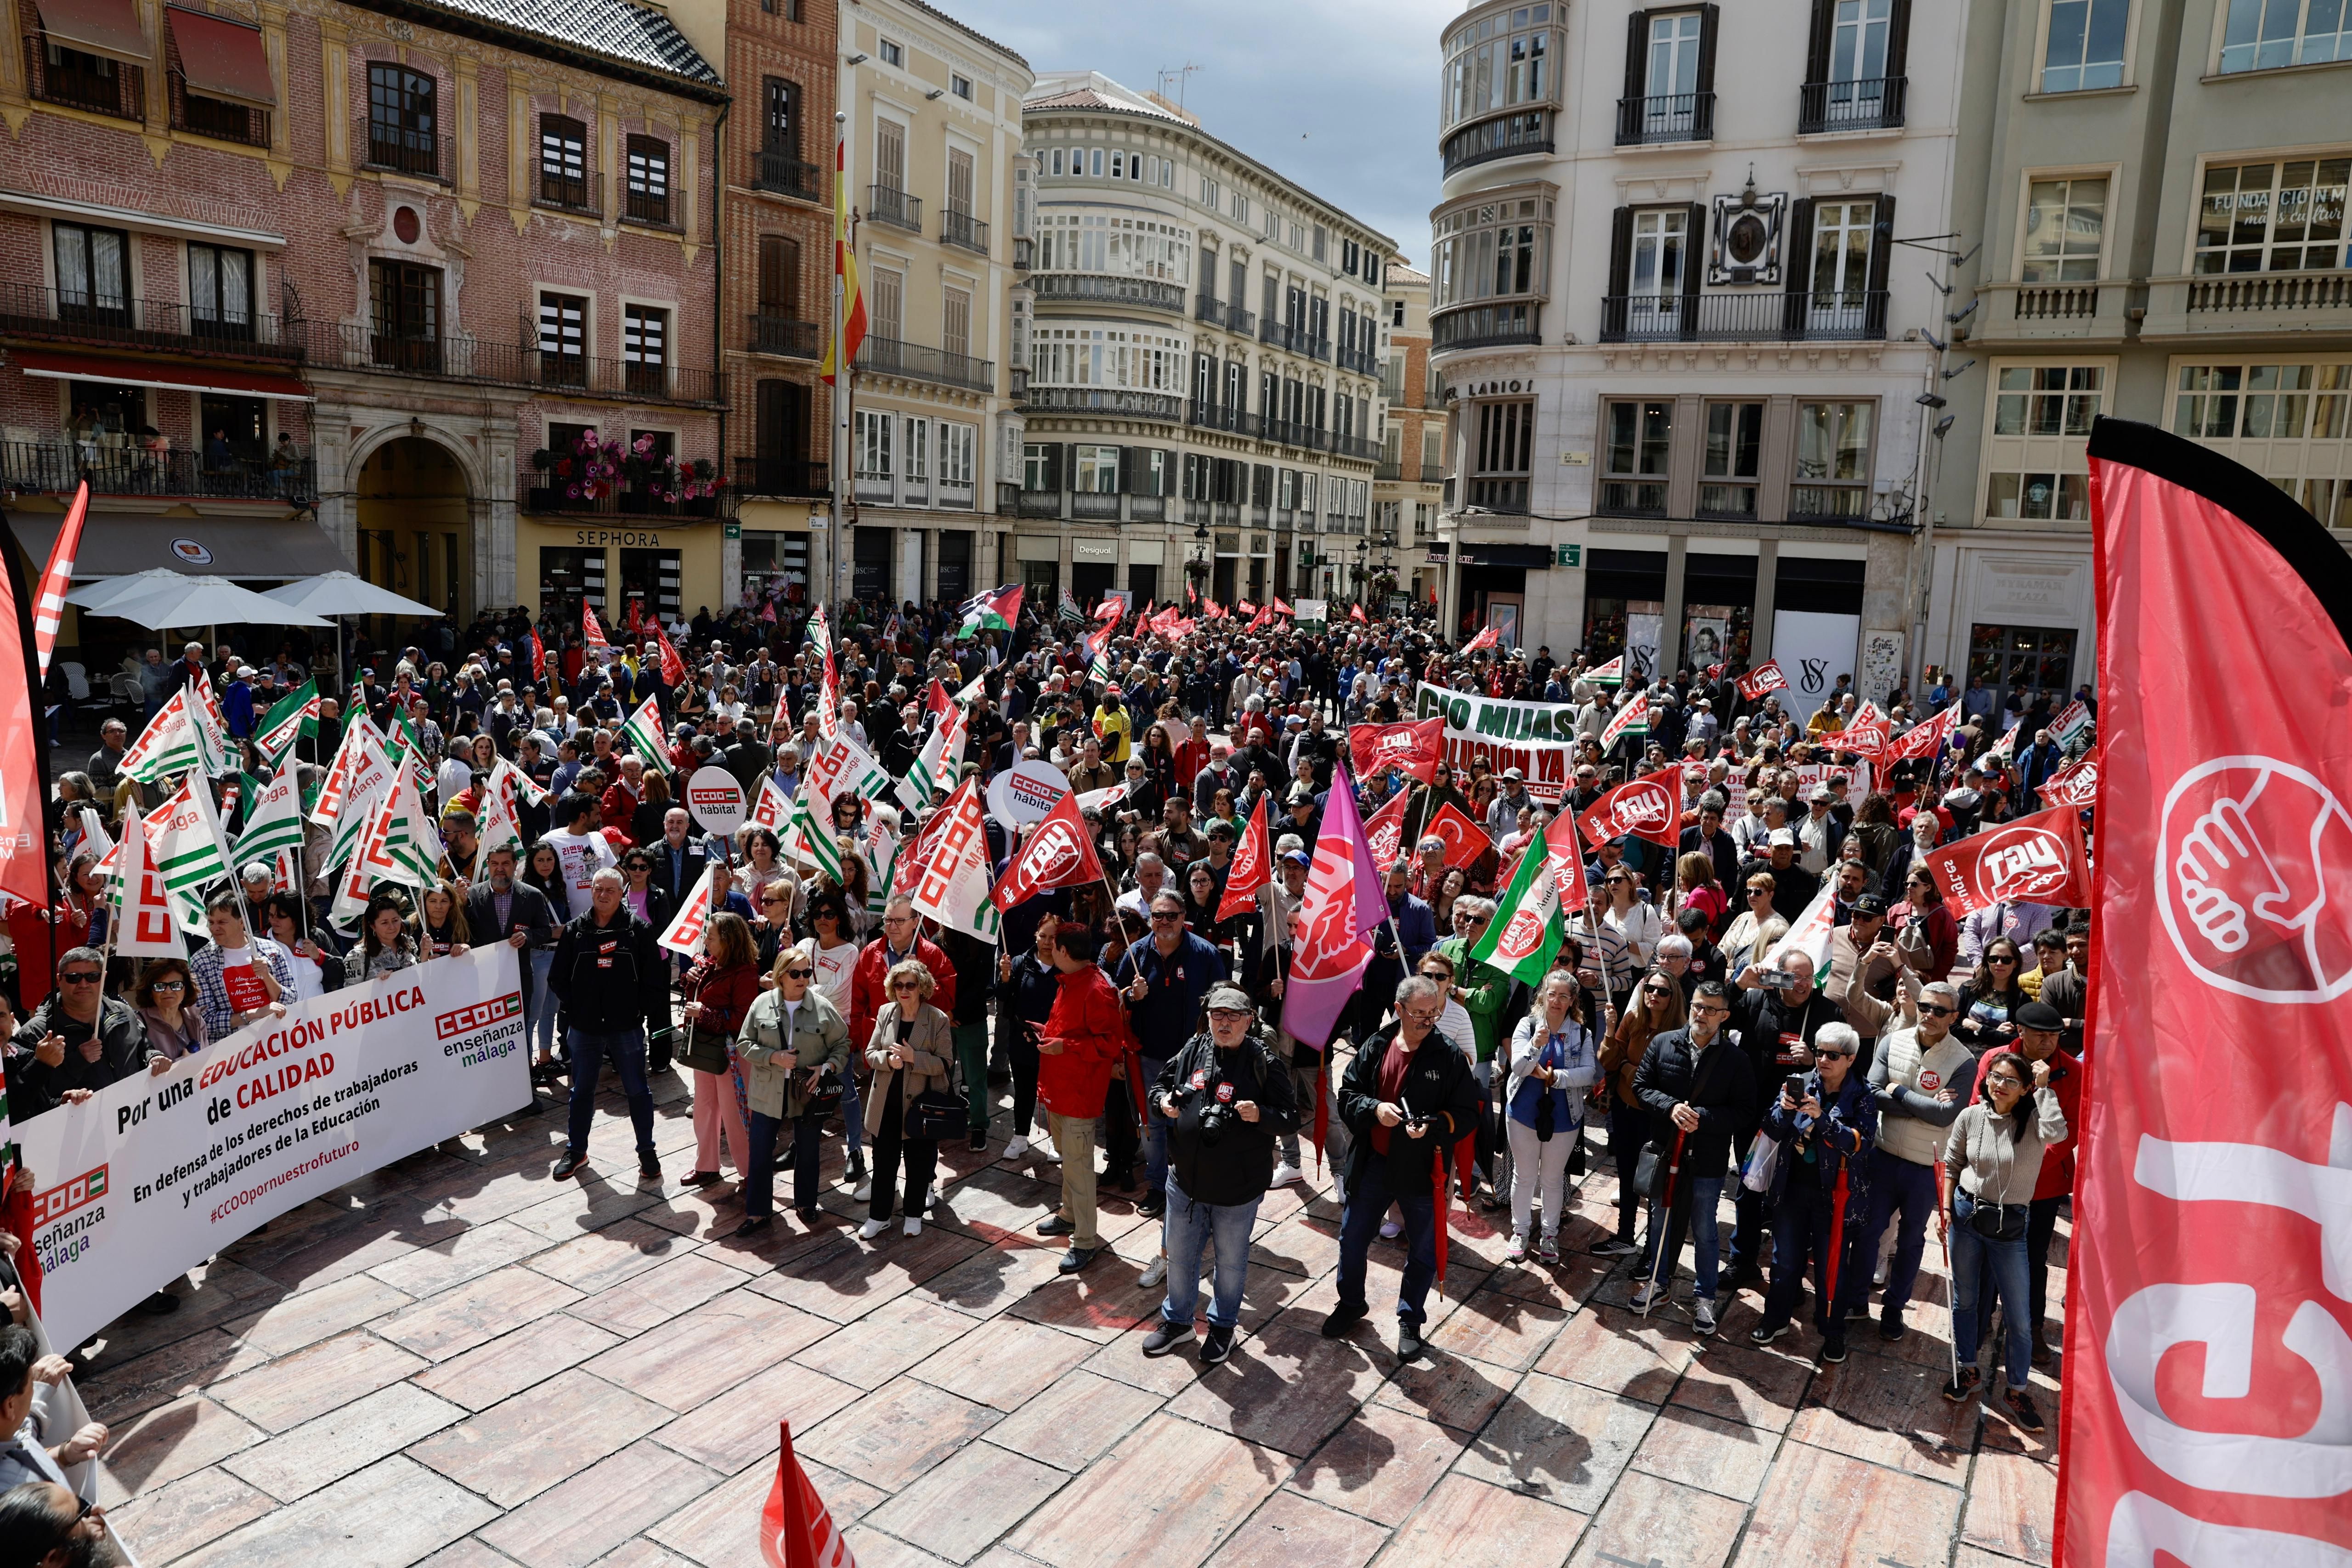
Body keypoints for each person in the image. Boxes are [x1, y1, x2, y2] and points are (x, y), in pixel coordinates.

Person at [1323, 975, 1479, 1364]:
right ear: (1399, 1009)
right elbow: (1347, 1096)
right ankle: (1351, 1303)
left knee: (1423, 1248)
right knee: (1352, 1240)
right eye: (1420, 1014)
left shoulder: (1448, 1055)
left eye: (1434, 1013)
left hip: (1421, 1168)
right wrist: (1374, 1110)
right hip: (1373, 1163)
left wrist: (1434, 1125)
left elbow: (1466, 1112)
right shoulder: (1376, 1045)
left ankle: (1411, 1319)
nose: (1429, 1020)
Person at [1140, 985, 1298, 1364]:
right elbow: (1160, 1087)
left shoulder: (1264, 1063)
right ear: (1208, 1018)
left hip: (1237, 1189)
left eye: (1233, 1016)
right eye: (1217, 1015)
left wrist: (1261, 1115)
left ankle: (1223, 1327)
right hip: (1185, 1183)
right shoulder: (1193, 1050)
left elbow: (1291, 1116)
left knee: (1229, 1263)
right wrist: (1164, 1103)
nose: (1224, 1023)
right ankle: (1177, 1322)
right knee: (1179, 1256)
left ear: (1249, 1020)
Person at [1942, 1048, 2069, 1432]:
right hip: (1966, 1217)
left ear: (2026, 1087)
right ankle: (1967, 1369)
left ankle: (2016, 1389)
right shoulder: (1970, 1116)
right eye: (1996, 1077)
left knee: (2018, 1315)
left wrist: (2046, 1090)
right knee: (1966, 1300)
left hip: (2010, 1227)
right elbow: (1952, 1163)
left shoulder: (2032, 1120)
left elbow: (2058, 1133)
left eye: (2011, 1081)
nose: (2000, 1085)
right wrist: (1946, 1209)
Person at [1629, 980, 1756, 1332]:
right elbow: (1641, 1087)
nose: (1702, 1015)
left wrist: (1703, 1119)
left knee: (1704, 1229)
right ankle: (1658, 1283)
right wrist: (1670, 1107)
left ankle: (1705, 1298)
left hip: (1709, 1158)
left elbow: (1745, 1111)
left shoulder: (1736, 1060)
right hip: (1665, 1150)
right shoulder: (1663, 1043)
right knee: (1660, 1220)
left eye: (1711, 1010)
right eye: (1698, 1006)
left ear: (1725, 1016)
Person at [1748, 1021, 1878, 1361]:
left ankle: (1832, 1331)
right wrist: (1783, 1110)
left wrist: (1822, 1119)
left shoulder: (1864, 1097)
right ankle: (1775, 1319)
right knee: (1785, 1261)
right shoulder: (1800, 1084)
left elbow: (1857, 1146)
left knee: (1830, 1267)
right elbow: (1771, 1128)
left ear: (1850, 1059)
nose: (1823, 1060)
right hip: (1792, 1188)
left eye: (1832, 1055)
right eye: (1819, 1052)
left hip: (1836, 1196)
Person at [1857, 979, 1971, 1340]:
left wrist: (1900, 1090)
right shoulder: (1893, 1041)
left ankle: (1894, 1310)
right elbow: (1871, 1094)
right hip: (1884, 1155)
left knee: (1910, 1241)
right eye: (1925, 1007)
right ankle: (1857, 1300)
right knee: (1866, 1232)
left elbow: (1945, 1117)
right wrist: (1924, 1104)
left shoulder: (1964, 1061)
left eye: (1940, 1010)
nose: (1929, 1015)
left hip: (1926, 1166)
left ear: (1953, 1016)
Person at [1969, 999, 2081, 1364]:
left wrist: (2026, 1171)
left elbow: (2066, 1136)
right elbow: (1977, 1112)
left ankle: (2031, 1326)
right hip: (1993, 1179)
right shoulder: (1994, 1061)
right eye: (2040, 1035)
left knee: (2032, 1258)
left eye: (2054, 1036)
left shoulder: (2074, 1072)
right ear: (2020, 1031)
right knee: (1985, 1254)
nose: (2049, 1042)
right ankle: (1981, 1321)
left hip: (2042, 1186)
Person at [547, 868, 667, 1183]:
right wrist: (577, 1010)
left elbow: (656, 980)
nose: (603, 895)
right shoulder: (575, 931)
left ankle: (647, 1153)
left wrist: (637, 1012)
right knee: (581, 1091)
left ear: (622, 893)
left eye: (610, 890)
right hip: (584, 1028)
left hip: (625, 1027)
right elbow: (557, 978)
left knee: (638, 1091)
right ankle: (577, 1151)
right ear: (592, 891)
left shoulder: (638, 930)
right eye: (598, 889)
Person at [1111, 889, 1225, 1221]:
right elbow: (1114, 1003)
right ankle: (1158, 1186)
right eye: (1158, 916)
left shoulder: (1204, 954)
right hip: (1149, 1057)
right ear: (1150, 919)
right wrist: (1130, 995)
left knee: (1197, 1122)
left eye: (1171, 915)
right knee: (1153, 1125)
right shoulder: (1137, 954)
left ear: (1183, 916)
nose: (1164, 922)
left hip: (1196, 1059)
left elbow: (1223, 1001)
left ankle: (1198, 1186)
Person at [735, 939, 852, 1229]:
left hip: (808, 1092)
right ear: (781, 976)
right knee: (760, 1152)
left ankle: (806, 1203)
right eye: (796, 974)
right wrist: (773, 1057)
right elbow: (744, 1044)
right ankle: (758, 1212)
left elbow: (843, 1043)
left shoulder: (822, 1007)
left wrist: (827, 1067)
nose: (803, 979)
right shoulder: (761, 1004)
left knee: (809, 1150)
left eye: (807, 973)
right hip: (767, 1091)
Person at [1035, 921, 1130, 1273]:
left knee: (1080, 1168)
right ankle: (1070, 1215)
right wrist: (1048, 1034)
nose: (1047, 949)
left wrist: (1064, 1045)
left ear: (1063, 951)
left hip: (1079, 1095)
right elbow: (1074, 1031)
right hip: (1060, 1090)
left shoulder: (1096, 988)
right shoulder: (1071, 981)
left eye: (1052, 944)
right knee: (1070, 1162)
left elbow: (1109, 1044)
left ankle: (1085, 1242)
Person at [1502, 971, 1598, 1263]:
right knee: (1525, 1175)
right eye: (1552, 994)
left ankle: (1550, 1235)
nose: (1556, 1001)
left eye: (1564, 996)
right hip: (1523, 1113)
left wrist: (1554, 1077)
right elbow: (1517, 1067)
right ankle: (1520, 1231)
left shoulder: (1582, 1033)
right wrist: (1535, 1046)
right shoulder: (1527, 1025)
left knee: (1553, 1179)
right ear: (1542, 996)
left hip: (1565, 1116)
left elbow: (1588, 1073)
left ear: (1572, 1001)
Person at [858, 959, 953, 1240]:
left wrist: (915, 1058)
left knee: (918, 1162)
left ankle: (913, 1214)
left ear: (922, 988)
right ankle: (879, 1217)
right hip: (886, 1102)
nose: (904, 990)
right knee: (884, 1163)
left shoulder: (937, 1019)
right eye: (898, 985)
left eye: (910, 985)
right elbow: (870, 1053)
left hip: (921, 1107)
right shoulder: (886, 1012)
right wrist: (888, 1060)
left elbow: (947, 1063)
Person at [3, 948, 154, 1120]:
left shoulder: (124, 1012)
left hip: (134, 1119)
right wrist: (78, 1061)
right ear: (59, 979)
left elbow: (143, 1046)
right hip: (77, 1132)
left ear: (104, 977)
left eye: (92, 977)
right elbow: (27, 1097)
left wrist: (153, 1057)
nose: (83, 984)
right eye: (74, 978)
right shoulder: (37, 1032)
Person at [1597, 967, 1685, 1258]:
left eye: (1662, 991)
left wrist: (1626, 1068)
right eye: (1650, 989)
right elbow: (1609, 1061)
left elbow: (1658, 1080)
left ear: (1674, 998)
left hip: (1657, 1117)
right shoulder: (1633, 1018)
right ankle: (1625, 1236)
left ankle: (1652, 1248)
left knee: (1654, 1181)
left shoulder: (1680, 1033)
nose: (1654, 995)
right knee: (1626, 1174)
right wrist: (1610, 1032)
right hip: (1626, 1109)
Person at [678, 912, 762, 1189]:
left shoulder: (746, 972)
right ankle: (706, 1166)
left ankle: (751, 1173)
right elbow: (698, 998)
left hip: (732, 1053)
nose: (705, 941)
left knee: (736, 1113)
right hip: (705, 1048)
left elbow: (741, 1019)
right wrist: (691, 981)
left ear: (727, 940)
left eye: (710, 937)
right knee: (704, 1108)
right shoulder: (712, 965)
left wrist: (705, 1013)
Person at [188, 893, 293, 1039]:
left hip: (276, 1043)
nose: (214, 928)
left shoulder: (271, 950)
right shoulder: (201, 962)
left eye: (222, 922)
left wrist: (267, 977)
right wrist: (253, 1014)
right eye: (211, 922)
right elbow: (206, 1022)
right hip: (234, 1054)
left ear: (242, 921)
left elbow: (292, 1001)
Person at [131, 959, 204, 1063]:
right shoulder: (139, 1023)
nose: (168, 991)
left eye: (176, 985)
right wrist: (184, 1061)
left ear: (186, 990)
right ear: (150, 992)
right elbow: (138, 1069)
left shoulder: (196, 1018)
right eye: (160, 986)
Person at [344, 893, 422, 984]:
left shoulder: (408, 942)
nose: (392, 927)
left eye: (395, 921)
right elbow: (350, 994)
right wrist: (374, 983)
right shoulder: (357, 956)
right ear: (373, 926)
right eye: (385, 923)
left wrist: (424, 955)